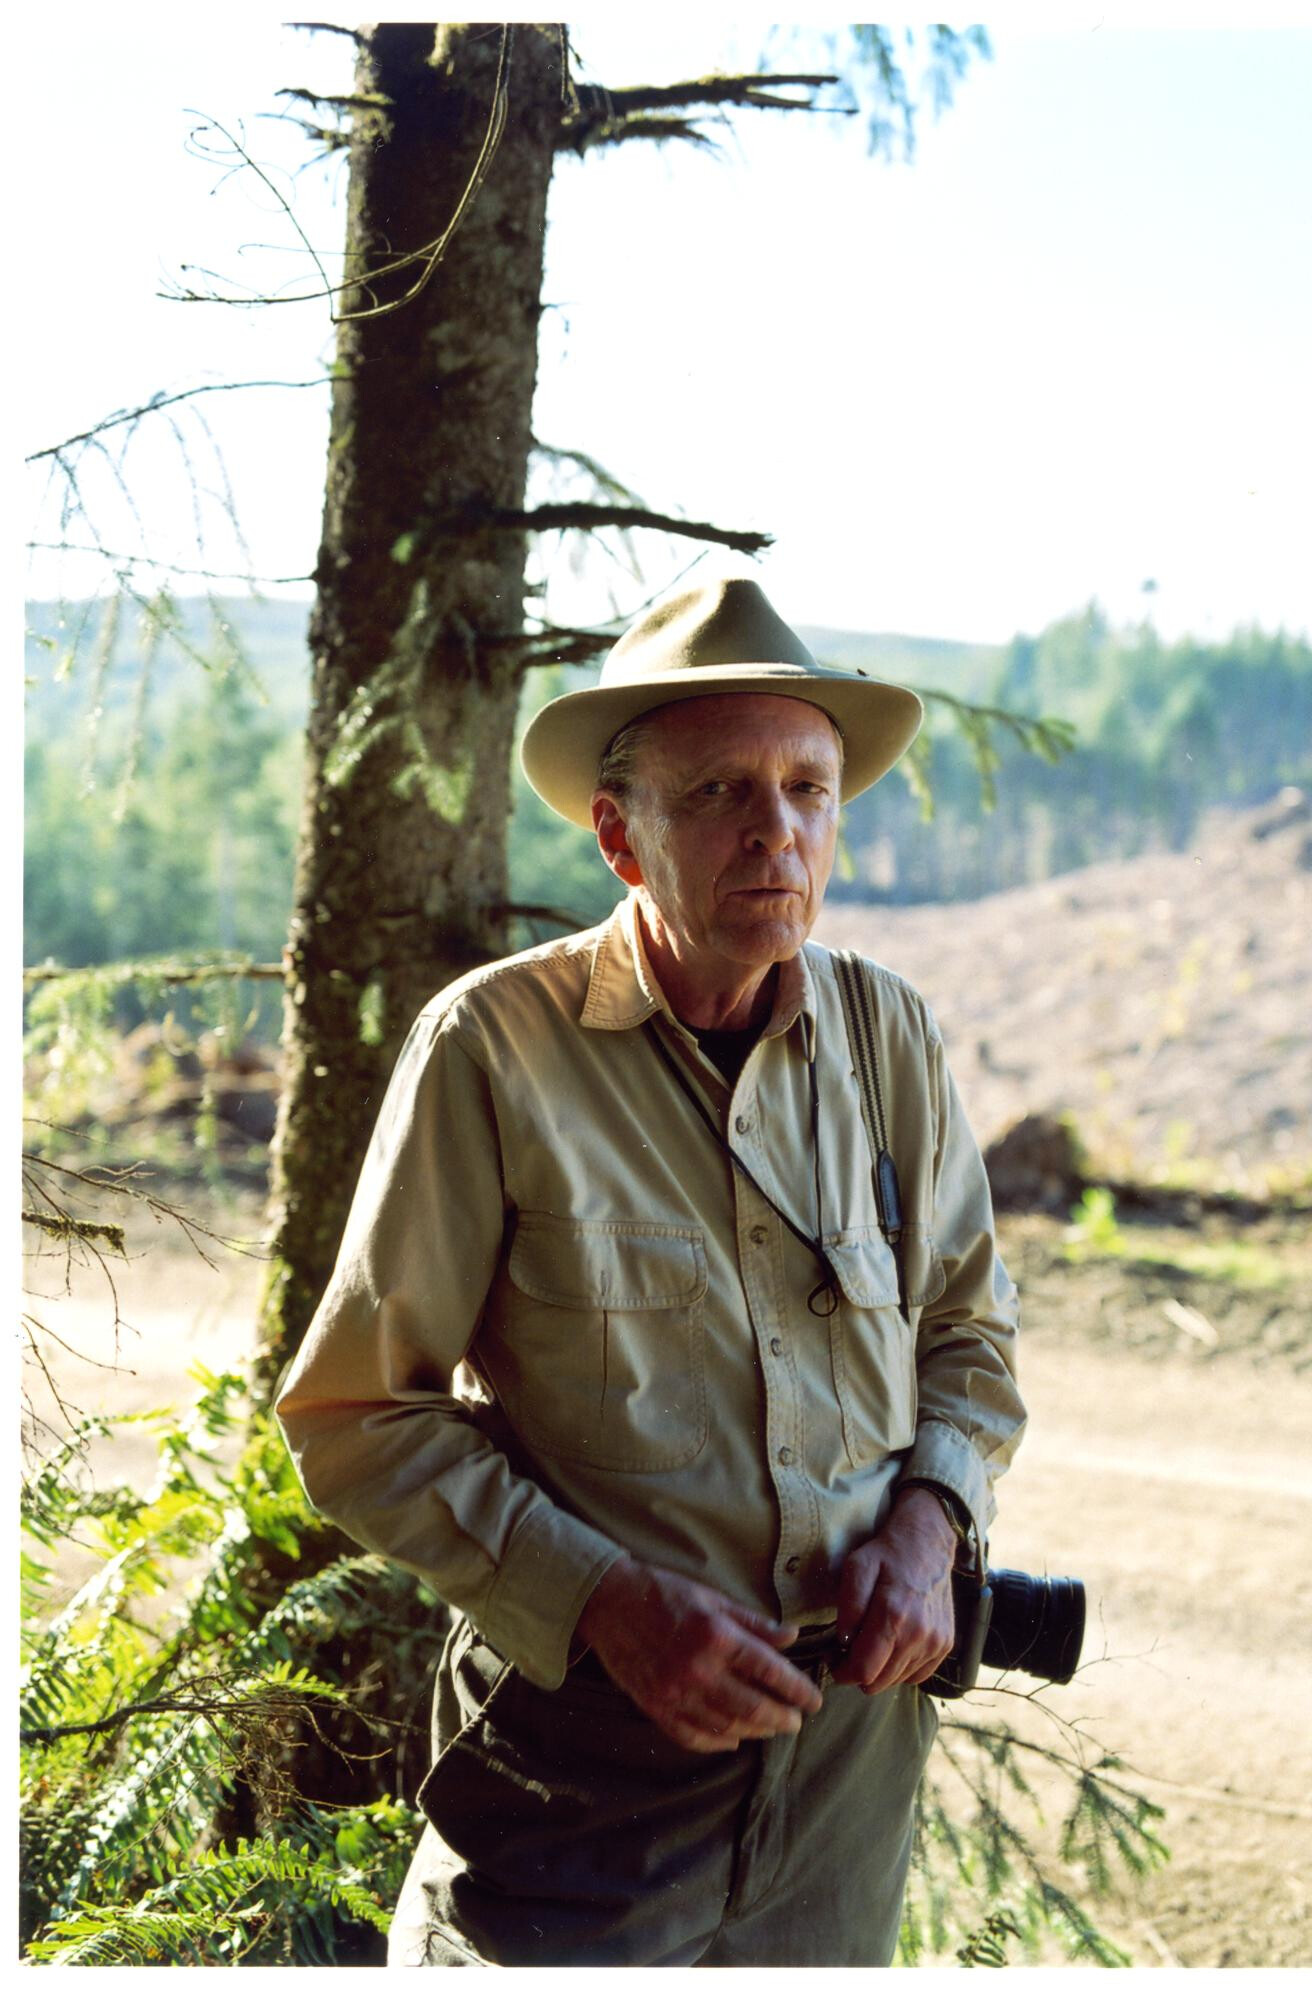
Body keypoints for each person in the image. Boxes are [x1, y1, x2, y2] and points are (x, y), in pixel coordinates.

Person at [274, 575, 1026, 1967]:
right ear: (621, 839)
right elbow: (352, 1418)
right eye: (721, 794)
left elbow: (971, 1340)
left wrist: (930, 1530)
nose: (776, 831)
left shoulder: (888, 1035)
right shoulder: (493, 1047)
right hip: (585, 1758)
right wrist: (607, 1603)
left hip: (847, 1768)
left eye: (807, 788)